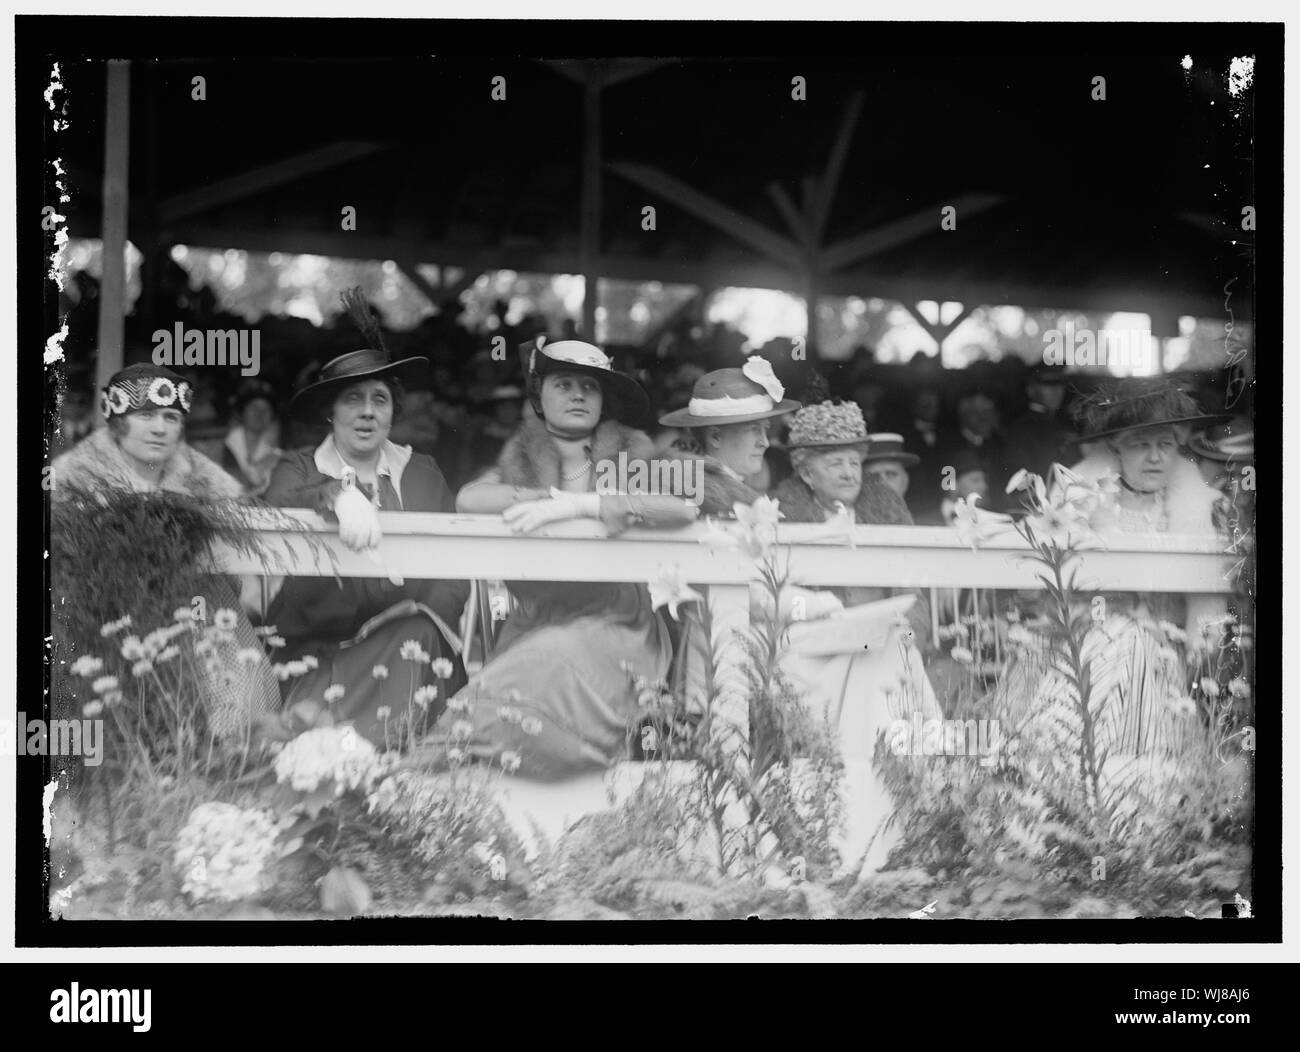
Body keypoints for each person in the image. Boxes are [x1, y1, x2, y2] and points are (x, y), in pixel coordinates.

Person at [422, 338, 700, 780]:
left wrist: (586, 506)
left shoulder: (631, 452)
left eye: (589, 387)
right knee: (511, 679)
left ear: (603, 399)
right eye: (564, 384)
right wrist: (548, 496)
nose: (577, 395)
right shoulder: (522, 458)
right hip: (537, 619)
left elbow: (683, 506)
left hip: (618, 623)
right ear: (540, 396)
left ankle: (426, 771)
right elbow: (470, 499)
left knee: (546, 659)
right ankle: (426, 785)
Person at [262, 316, 471, 747]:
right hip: (319, 658)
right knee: (306, 747)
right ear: (329, 411)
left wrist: (417, 614)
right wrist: (335, 493)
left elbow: (454, 570)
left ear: (393, 410)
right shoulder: (300, 467)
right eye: (352, 399)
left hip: (411, 650)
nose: (367, 411)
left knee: (419, 636)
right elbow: (279, 502)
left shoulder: (422, 473)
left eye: (380, 399)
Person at [52, 362, 279, 736]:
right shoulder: (73, 476)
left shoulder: (201, 474)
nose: (160, 428)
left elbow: (247, 527)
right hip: (100, 616)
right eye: (145, 415)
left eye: (171, 417)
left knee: (237, 701)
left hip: (194, 607)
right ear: (117, 420)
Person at [1001, 362, 1077, 479]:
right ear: (1031, 390)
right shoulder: (1021, 430)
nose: (1056, 390)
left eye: (1060, 384)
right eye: (1048, 384)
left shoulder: (1065, 425)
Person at [222, 379, 282, 497]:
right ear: (242, 412)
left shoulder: (273, 453)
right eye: (254, 407)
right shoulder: (224, 443)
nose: (260, 413)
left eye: (266, 409)